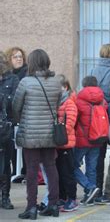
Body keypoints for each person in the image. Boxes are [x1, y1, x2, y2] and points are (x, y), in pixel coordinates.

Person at [13, 49, 62, 219]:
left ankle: (31, 208)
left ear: (32, 63)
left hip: (30, 134)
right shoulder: (57, 82)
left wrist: (23, 120)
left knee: (32, 171)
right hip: (50, 132)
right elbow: (58, 106)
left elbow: (16, 107)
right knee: (51, 167)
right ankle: (54, 205)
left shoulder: (25, 82)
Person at [90, 44, 110, 201]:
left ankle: (95, 189)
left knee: (97, 155)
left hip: (94, 116)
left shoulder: (93, 70)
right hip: (108, 115)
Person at [74, 76, 107, 206]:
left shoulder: (79, 101)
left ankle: (89, 187)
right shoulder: (102, 101)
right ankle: (90, 197)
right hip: (98, 139)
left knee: (72, 166)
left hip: (82, 141)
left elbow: (75, 121)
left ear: (84, 85)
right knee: (92, 168)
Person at [55, 74, 79, 212]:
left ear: (65, 87)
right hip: (57, 144)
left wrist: (57, 129)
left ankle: (71, 199)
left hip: (66, 144)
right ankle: (62, 198)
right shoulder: (58, 102)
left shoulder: (69, 103)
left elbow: (69, 123)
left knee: (67, 173)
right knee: (58, 173)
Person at [5, 47, 28, 182]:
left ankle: (23, 172)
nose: (19, 59)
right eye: (15, 57)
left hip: (22, 115)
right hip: (10, 117)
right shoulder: (7, 76)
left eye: (20, 56)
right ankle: (15, 171)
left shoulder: (26, 74)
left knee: (23, 146)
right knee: (12, 147)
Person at [0, 52, 19, 210]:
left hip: (5, 128)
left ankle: (5, 197)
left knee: (5, 164)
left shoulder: (12, 79)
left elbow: (14, 101)